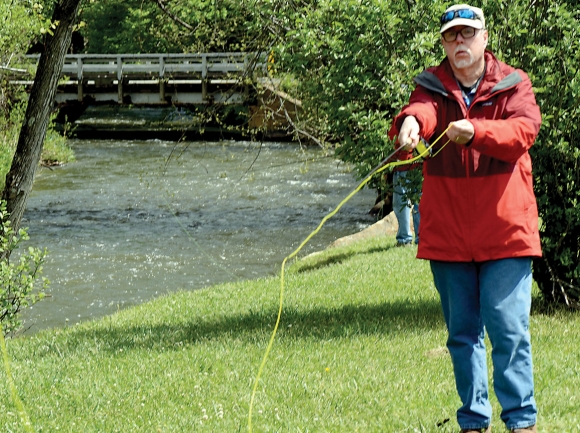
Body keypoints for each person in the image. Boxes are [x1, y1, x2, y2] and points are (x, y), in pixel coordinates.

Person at [389, 4, 541, 433]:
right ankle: (473, 422)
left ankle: (522, 422)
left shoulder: (514, 84)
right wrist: (410, 125)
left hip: (506, 233)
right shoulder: (430, 86)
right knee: (462, 336)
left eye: (468, 34)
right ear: (443, 43)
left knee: (509, 332)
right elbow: (423, 110)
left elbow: (523, 132)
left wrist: (477, 130)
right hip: (450, 236)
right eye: (452, 36)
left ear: (484, 39)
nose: (460, 42)